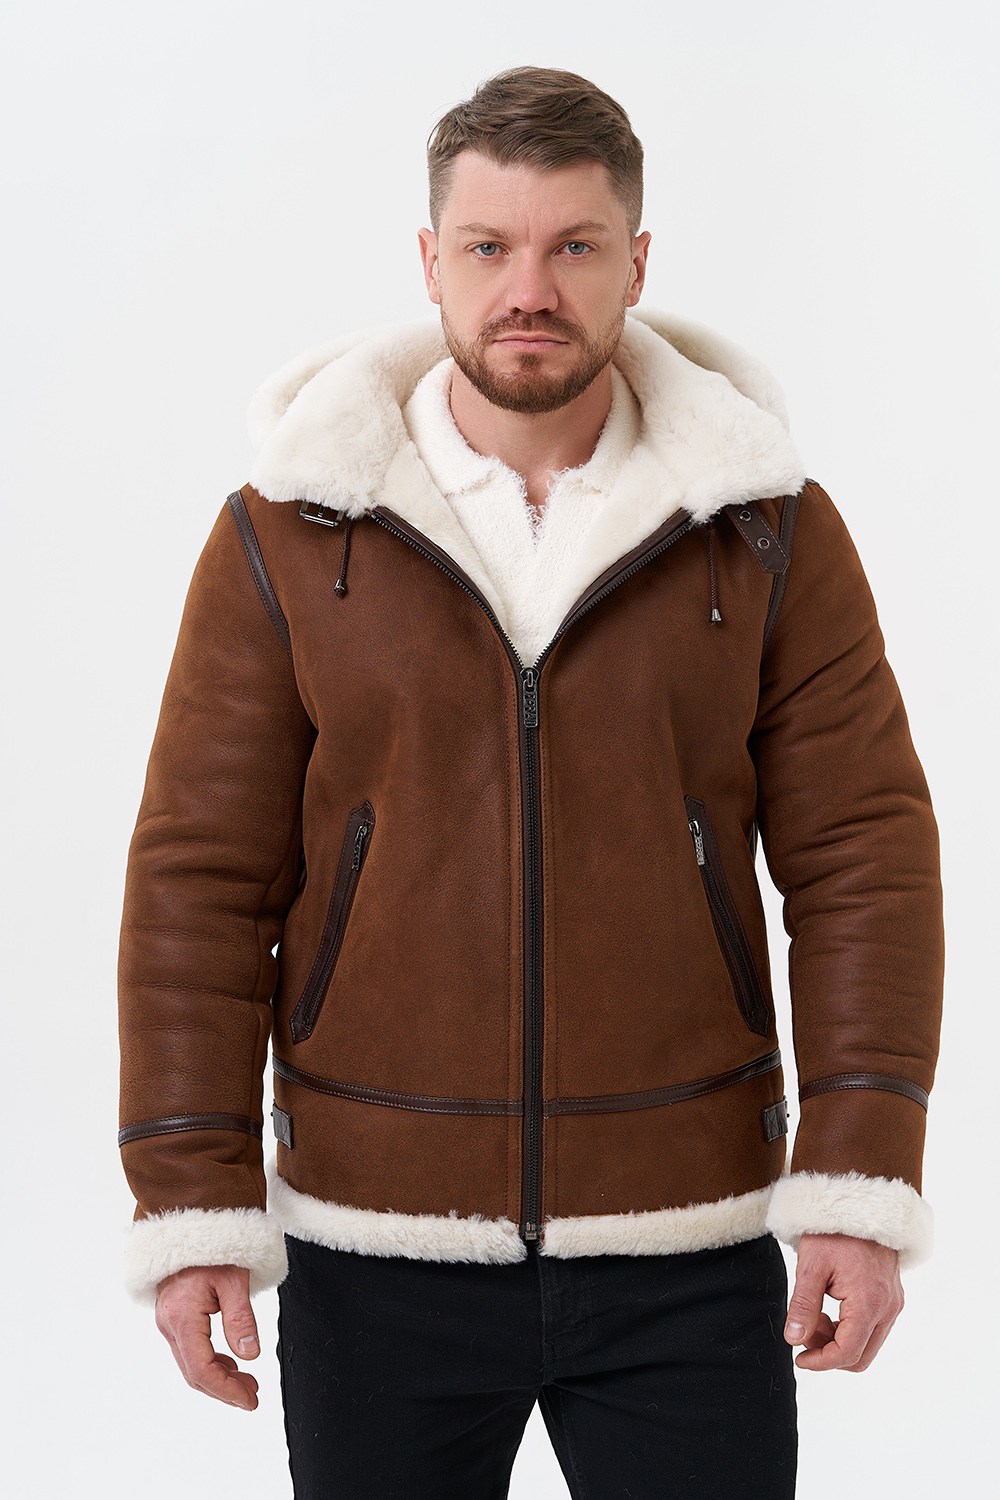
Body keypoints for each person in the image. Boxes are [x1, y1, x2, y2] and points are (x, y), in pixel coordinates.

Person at [117, 66, 944, 1499]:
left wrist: (860, 1185)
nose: (530, 291)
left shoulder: (763, 531)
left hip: (689, 1237)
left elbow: (864, 858)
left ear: (638, 261)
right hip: (375, 1240)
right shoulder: (290, 533)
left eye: (574, 246)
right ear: (430, 260)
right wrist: (191, 1203)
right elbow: (199, 882)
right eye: (490, 247)